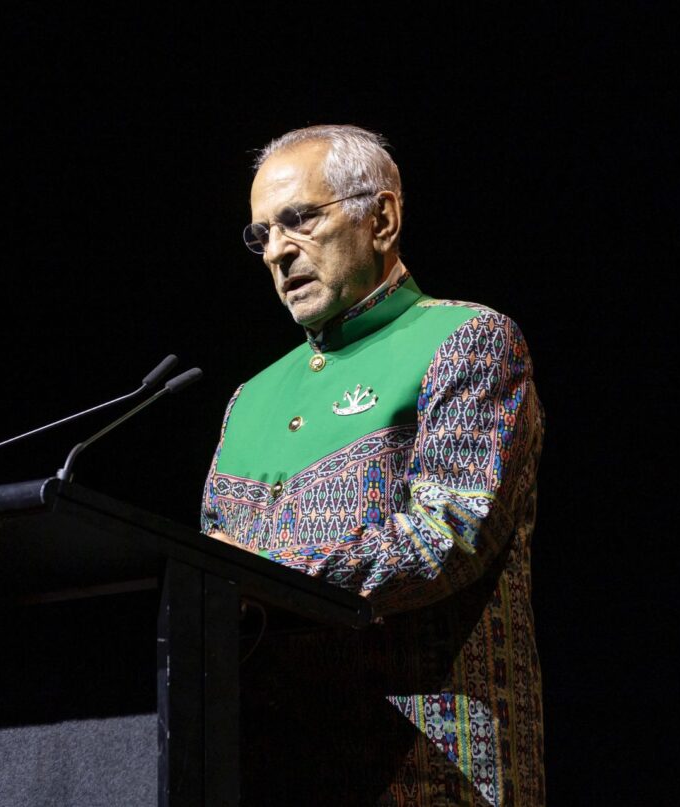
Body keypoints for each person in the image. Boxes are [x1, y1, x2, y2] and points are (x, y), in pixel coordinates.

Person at [201, 124, 545, 806]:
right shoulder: (250, 398)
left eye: (298, 219)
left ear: (381, 218)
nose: (276, 251)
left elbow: (445, 537)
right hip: (270, 764)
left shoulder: (467, 340)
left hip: (429, 765)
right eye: (260, 234)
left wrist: (255, 574)